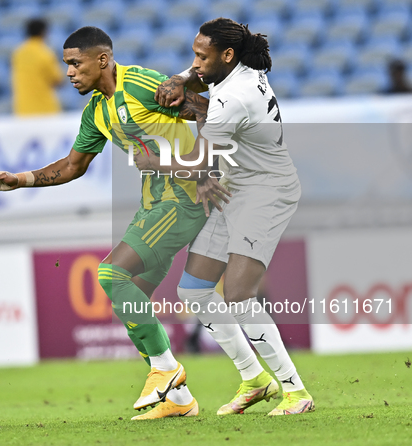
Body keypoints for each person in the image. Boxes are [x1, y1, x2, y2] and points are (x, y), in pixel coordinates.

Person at [0, 26, 231, 420]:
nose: (69, 73)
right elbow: (72, 166)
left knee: (112, 275)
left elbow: (209, 112)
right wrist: (20, 179)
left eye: (75, 64)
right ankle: (180, 401)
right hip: (153, 204)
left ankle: (166, 370)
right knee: (129, 300)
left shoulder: (144, 84)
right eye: (67, 66)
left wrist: (205, 167)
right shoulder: (96, 110)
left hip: (186, 196)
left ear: (102, 60)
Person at [149, 18, 315, 416]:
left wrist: (150, 160)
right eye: (193, 54)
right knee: (193, 291)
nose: (195, 63)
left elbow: (199, 159)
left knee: (239, 294)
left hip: (266, 190)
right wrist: (183, 78)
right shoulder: (240, 70)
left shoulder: (234, 96)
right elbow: (204, 99)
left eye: (201, 57)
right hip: (235, 185)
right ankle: (254, 380)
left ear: (227, 56)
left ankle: (295, 392)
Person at [11, 18, 63, 115]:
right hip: (45, 110)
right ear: (43, 32)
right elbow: (58, 81)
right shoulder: (45, 53)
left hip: (23, 109)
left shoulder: (18, 53)